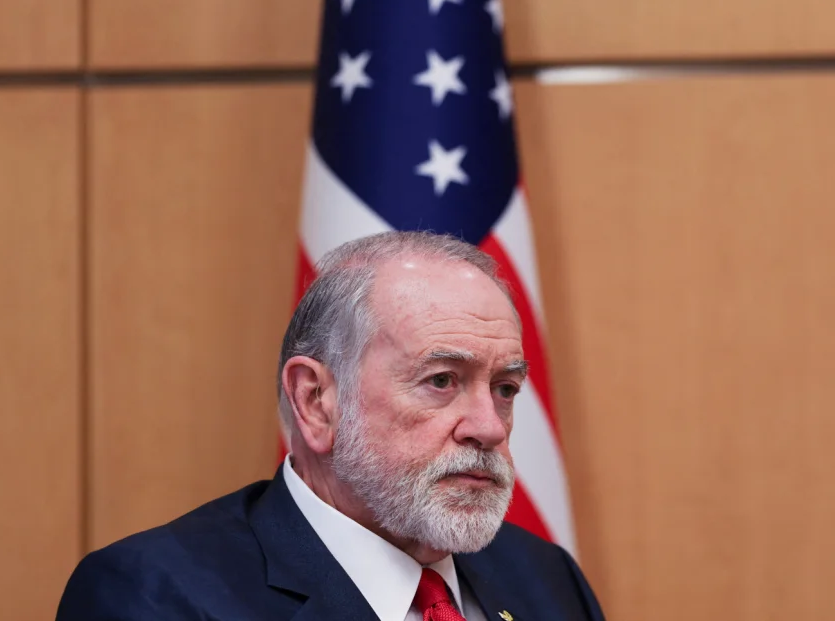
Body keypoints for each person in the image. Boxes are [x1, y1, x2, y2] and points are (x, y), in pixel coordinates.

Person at [57, 231, 605, 620]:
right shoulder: (155, 596)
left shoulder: (548, 579)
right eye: (441, 380)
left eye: (505, 388)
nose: (489, 427)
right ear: (316, 401)